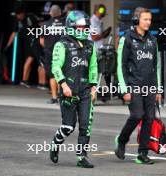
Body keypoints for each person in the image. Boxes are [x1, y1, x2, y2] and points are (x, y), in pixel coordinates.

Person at [49, 10, 98, 168]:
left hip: (85, 91)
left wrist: (94, 87)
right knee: (69, 127)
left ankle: (81, 157)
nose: (83, 30)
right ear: (71, 27)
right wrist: (63, 85)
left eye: (85, 28)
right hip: (68, 90)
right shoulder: (61, 44)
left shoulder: (91, 45)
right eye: (79, 28)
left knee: (86, 126)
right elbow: (55, 67)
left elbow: (93, 68)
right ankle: (55, 145)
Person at [114, 7, 162, 164]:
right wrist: (124, 89)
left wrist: (158, 88)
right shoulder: (126, 38)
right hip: (133, 85)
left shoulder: (153, 40)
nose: (148, 22)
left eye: (150, 19)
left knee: (149, 118)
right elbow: (120, 66)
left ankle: (142, 154)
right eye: (145, 19)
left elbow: (157, 66)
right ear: (136, 20)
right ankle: (121, 140)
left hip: (150, 86)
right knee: (137, 115)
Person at [5, 7, 45, 87]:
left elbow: (41, 23)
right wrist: (8, 45)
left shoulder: (30, 16)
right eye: (17, 15)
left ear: (22, 13)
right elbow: (14, 33)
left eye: (19, 15)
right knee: (32, 59)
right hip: (29, 41)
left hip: (35, 39)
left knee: (34, 59)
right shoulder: (17, 21)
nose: (18, 17)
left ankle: (28, 80)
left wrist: (42, 34)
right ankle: (26, 80)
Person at [40, 5, 64, 104]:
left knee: (52, 75)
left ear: (50, 13)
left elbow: (41, 41)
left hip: (49, 53)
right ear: (60, 13)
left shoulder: (45, 24)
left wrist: (47, 47)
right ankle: (61, 96)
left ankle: (54, 98)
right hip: (62, 52)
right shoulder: (65, 24)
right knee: (62, 73)